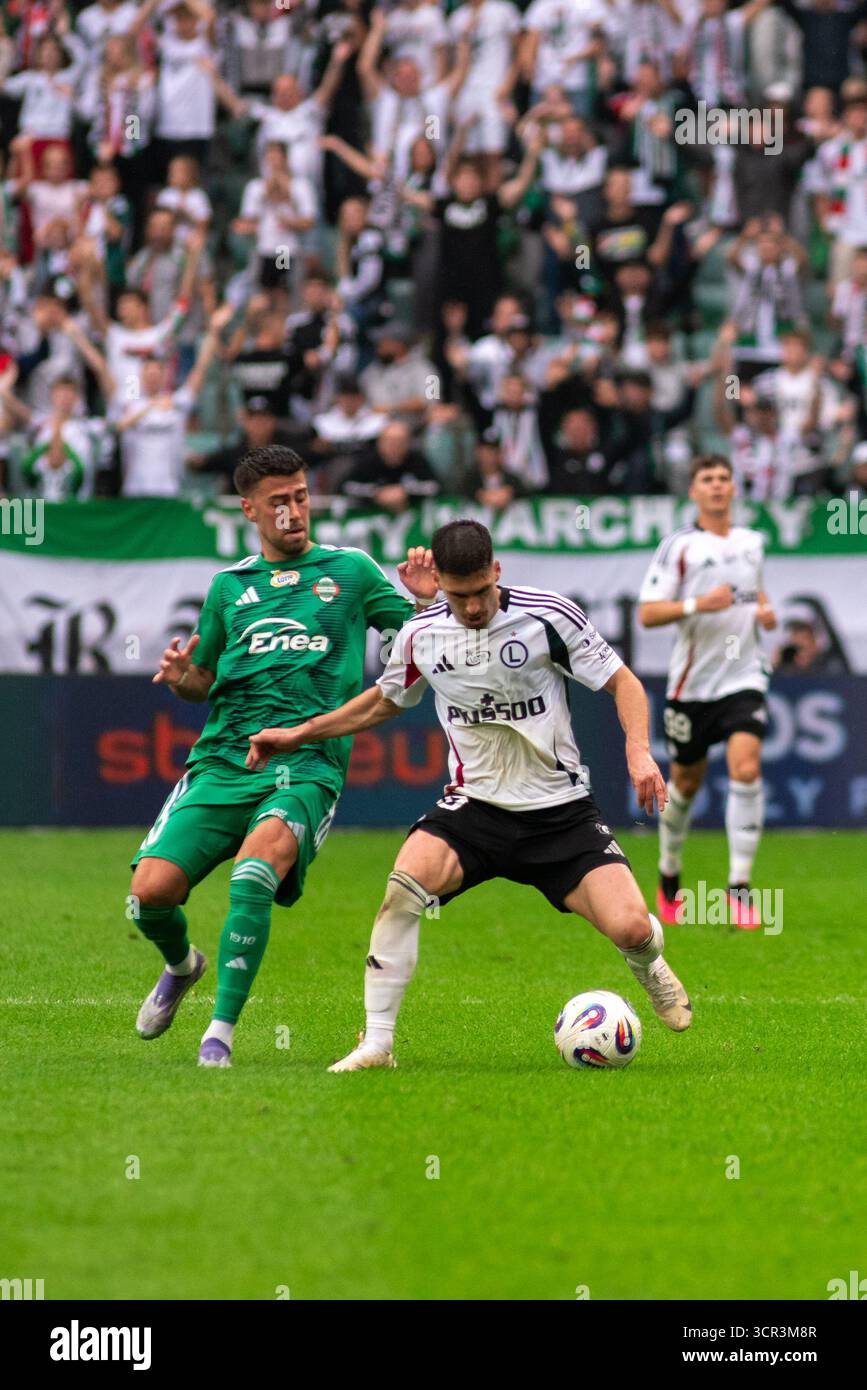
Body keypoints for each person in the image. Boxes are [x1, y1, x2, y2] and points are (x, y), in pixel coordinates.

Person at [247, 518, 691, 1072]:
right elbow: (382, 702)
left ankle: (649, 966)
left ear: (496, 571)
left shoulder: (548, 615)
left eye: (481, 591)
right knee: (402, 889)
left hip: (560, 813)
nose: (473, 606)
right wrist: (296, 733)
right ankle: (377, 1045)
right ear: (443, 584)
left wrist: (639, 751)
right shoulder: (421, 632)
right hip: (473, 808)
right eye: (459, 595)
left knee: (630, 927)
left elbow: (623, 682)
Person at [129, 446, 439, 1068]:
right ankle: (182, 965)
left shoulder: (351, 571)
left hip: (307, 762)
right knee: (150, 894)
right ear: (249, 510)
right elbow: (203, 681)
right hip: (223, 760)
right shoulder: (229, 586)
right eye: (279, 502)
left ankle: (219, 1032)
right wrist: (184, 675)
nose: (294, 512)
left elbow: (424, 648)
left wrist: (427, 603)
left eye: (300, 497)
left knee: (253, 874)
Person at [637, 454, 777, 930]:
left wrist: (765, 611)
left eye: (723, 478)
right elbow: (648, 613)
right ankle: (669, 875)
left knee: (747, 766)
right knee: (688, 783)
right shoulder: (679, 547)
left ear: (733, 488)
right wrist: (699, 602)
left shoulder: (751, 542)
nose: (717, 486)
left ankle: (739, 887)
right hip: (692, 686)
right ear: (693, 491)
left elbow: (755, 593)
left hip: (744, 678)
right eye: (707, 480)